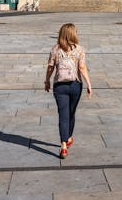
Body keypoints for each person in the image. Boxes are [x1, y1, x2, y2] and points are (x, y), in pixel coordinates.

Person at [44, 23, 92, 159]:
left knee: (63, 115)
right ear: (73, 34)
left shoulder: (55, 49)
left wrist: (47, 81)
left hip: (60, 85)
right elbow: (82, 68)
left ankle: (64, 144)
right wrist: (89, 84)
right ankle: (68, 138)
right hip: (75, 85)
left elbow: (50, 67)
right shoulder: (79, 49)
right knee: (71, 113)